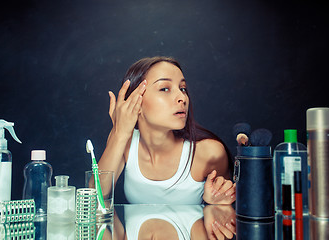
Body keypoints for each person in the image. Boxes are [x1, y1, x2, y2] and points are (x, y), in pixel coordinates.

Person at [98, 56, 235, 204]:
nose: (182, 97)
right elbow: (96, 196)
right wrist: (120, 132)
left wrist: (214, 203)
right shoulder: (125, 141)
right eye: (165, 89)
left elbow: (228, 213)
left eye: (182, 89)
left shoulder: (209, 152)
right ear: (136, 101)